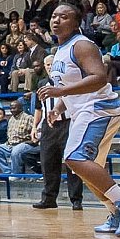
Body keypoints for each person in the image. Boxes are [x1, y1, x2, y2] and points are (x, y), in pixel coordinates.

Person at [36, 0, 120, 237]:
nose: (56, 20)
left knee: (74, 158)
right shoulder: (60, 50)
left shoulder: (82, 44)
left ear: (76, 22)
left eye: (64, 16)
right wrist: (59, 108)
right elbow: (70, 84)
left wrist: (60, 92)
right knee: (86, 168)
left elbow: (98, 77)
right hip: (84, 111)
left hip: (98, 108)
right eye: (55, 16)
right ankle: (116, 212)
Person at [31, 55, 84, 210]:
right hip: (48, 126)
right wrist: (35, 127)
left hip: (68, 123)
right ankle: (49, 198)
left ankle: (76, 199)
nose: (48, 66)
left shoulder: (66, 82)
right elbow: (38, 109)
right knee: (48, 162)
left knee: (71, 162)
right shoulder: (41, 83)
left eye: (51, 64)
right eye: (46, 64)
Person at [0, 101, 37, 176]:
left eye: (14, 108)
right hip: (10, 144)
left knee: (15, 151)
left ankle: (16, 175)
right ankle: (8, 172)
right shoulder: (11, 119)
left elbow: (36, 132)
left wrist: (32, 141)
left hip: (24, 143)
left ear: (20, 108)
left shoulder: (29, 118)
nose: (11, 110)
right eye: (10, 108)